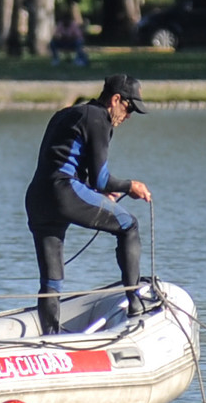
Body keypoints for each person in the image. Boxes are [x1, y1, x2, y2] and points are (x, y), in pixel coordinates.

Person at [25, 74, 152, 335]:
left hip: (38, 197)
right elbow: (100, 178)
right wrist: (130, 186)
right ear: (115, 99)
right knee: (128, 226)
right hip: (63, 192)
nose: (128, 117)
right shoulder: (99, 118)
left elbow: (66, 162)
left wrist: (97, 192)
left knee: (51, 280)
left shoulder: (66, 114)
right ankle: (135, 302)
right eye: (129, 108)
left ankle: (50, 338)